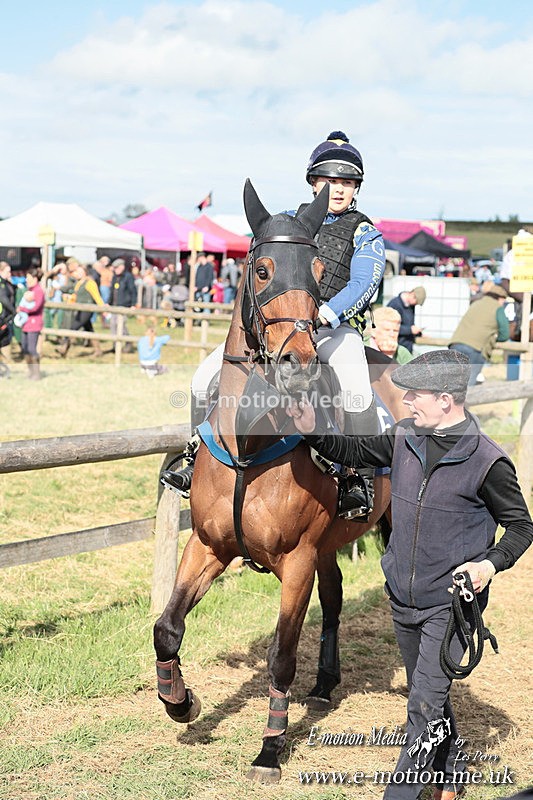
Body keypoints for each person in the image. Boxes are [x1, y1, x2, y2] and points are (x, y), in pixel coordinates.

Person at [288, 349, 533, 800]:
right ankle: (451, 778)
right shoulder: (404, 436)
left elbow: (522, 526)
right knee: (430, 694)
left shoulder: (488, 461)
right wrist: (312, 429)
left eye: (415, 395)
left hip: (451, 606)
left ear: (445, 400)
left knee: (421, 706)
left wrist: (487, 564)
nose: (407, 401)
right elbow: (353, 450)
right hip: (402, 597)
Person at [161, 130, 386, 519]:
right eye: (329, 181)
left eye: (347, 183)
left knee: (355, 389)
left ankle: (357, 480)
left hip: (333, 328)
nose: (337, 190)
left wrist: (323, 316)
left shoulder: (365, 231)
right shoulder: (288, 224)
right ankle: (196, 455)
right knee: (202, 378)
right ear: (313, 182)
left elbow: (364, 284)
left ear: (356, 189)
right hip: (276, 328)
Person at [448, 283, 509, 386]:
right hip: (475, 348)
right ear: (500, 298)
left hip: (455, 344)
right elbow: (505, 333)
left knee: (452, 383)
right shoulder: (497, 307)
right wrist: (495, 338)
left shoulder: (476, 303)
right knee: (467, 386)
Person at [56, 264, 105, 357]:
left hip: (87, 309)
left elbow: (97, 296)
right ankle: (98, 350)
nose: (77, 274)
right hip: (80, 309)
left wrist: (103, 308)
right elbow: (76, 296)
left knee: (73, 328)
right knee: (89, 330)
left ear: (85, 272)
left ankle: (64, 347)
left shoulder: (90, 282)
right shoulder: (78, 283)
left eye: (80, 272)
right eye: (77, 272)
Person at [16, 268, 45, 380]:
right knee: (25, 347)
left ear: (35, 278)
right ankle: (30, 371)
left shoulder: (38, 291)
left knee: (32, 348)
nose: (26, 280)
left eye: (28, 278)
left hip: (34, 323)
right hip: (26, 324)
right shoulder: (29, 290)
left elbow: (36, 307)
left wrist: (22, 309)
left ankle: (36, 373)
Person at [387, 286, 426, 353]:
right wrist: (410, 330)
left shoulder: (411, 306)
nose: (416, 305)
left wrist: (418, 333)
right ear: (413, 295)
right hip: (396, 348)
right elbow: (389, 327)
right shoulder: (394, 304)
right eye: (416, 302)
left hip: (407, 347)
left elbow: (409, 324)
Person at [109, 258, 137, 352]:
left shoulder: (128, 277)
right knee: (113, 325)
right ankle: (115, 346)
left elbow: (133, 291)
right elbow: (112, 291)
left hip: (124, 305)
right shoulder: (114, 277)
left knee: (120, 325)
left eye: (116, 267)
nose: (115, 270)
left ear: (122, 267)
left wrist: (133, 304)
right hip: (114, 305)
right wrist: (109, 303)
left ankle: (128, 341)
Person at [0, 261, 16, 367]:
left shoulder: (6, 282)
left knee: (5, 341)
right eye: (8, 271)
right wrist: (13, 310)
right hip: (2, 318)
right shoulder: (1, 284)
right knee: (4, 341)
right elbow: (4, 299)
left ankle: (6, 368)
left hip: (5, 317)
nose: (10, 274)